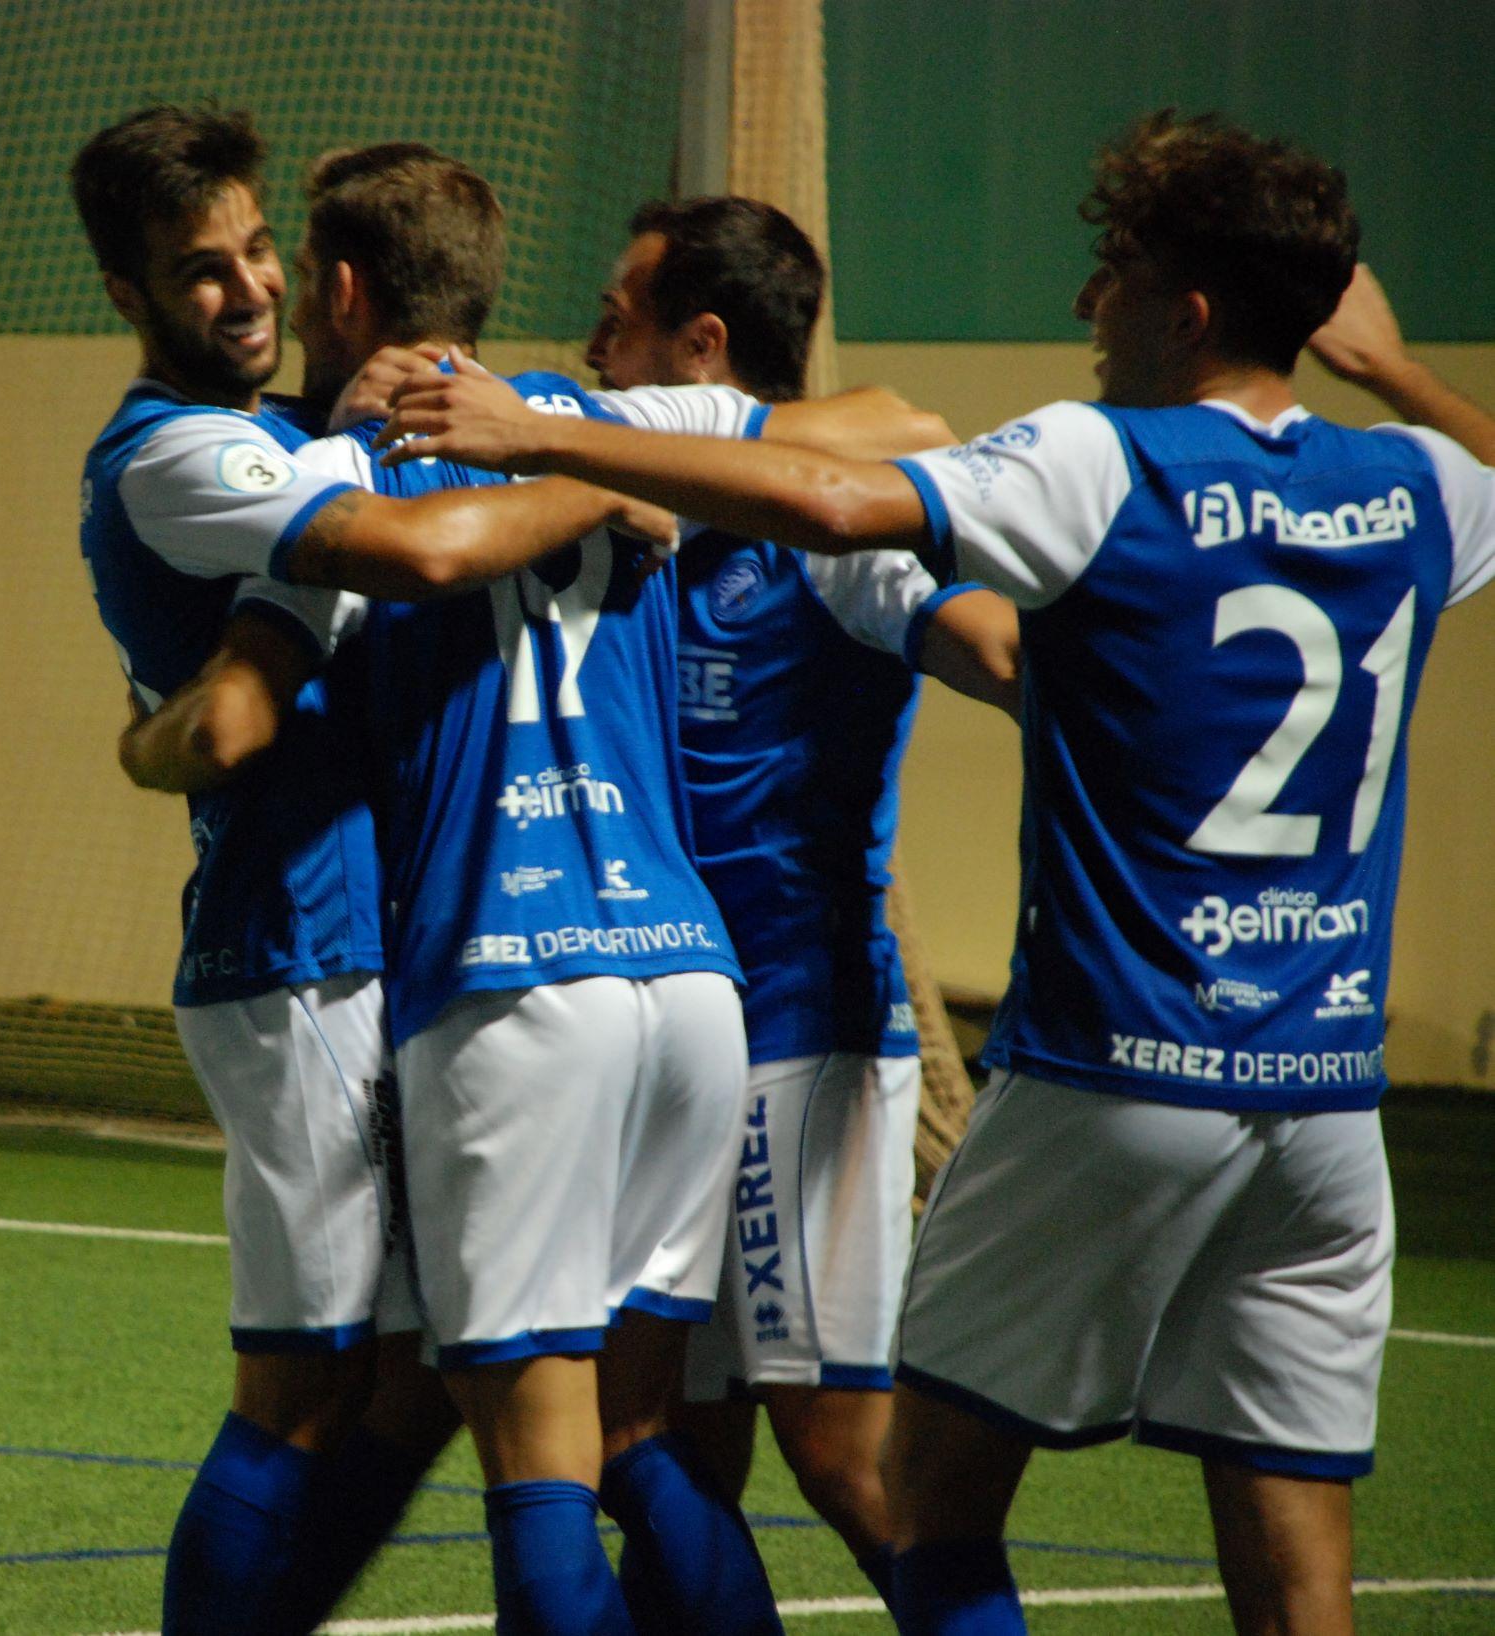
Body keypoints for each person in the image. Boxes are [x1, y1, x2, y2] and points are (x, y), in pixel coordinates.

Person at [377, 112, 1495, 1636]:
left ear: (1192, 309)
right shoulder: (1413, 485)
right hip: (1322, 1102)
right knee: (1295, 1551)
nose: (1089, 308)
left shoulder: (1107, 461)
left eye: (1117, 272)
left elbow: (852, 491)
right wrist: (1392, 369)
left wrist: (543, 432)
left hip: (1112, 1068)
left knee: (922, 1497)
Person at [124, 143, 950, 1636]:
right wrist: (591, 475)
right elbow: (869, 434)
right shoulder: (622, 432)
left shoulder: (343, 464)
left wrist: (146, 733)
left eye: (295, 271)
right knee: (626, 1432)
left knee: (533, 1456)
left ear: (344, 288)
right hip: (691, 981)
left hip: (511, 982)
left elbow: (257, 701)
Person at [68, 107, 682, 1636]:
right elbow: (404, 556)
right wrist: (599, 477)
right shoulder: (178, 456)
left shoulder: (293, 427)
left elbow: (223, 706)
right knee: (303, 1386)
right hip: (297, 946)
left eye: (259, 248)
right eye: (197, 271)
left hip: (388, 946)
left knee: (412, 1386)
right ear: (128, 299)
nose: (246, 288)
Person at [582, 195, 1015, 1610]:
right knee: (674, 1455)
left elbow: (919, 450)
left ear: (700, 347)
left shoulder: (833, 532)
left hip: (796, 1029)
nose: (591, 349)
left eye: (619, 319)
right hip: (666, 1041)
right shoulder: (622, 515)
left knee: (842, 1451)